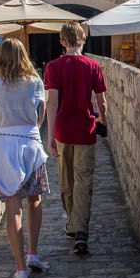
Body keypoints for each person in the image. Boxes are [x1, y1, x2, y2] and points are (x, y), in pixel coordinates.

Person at [0, 38, 50, 278]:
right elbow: (40, 116)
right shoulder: (35, 82)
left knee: (13, 207)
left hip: (5, 146)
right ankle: (33, 252)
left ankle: (20, 269)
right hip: (30, 143)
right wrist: (31, 129)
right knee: (35, 199)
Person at [45, 21, 107, 256]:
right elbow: (101, 102)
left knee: (66, 181)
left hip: (62, 131)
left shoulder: (53, 67)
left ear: (62, 41)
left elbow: (52, 102)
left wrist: (50, 136)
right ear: (83, 40)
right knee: (84, 180)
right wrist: (102, 120)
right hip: (85, 131)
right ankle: (80, 230)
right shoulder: (93, 66)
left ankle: (73, 225)